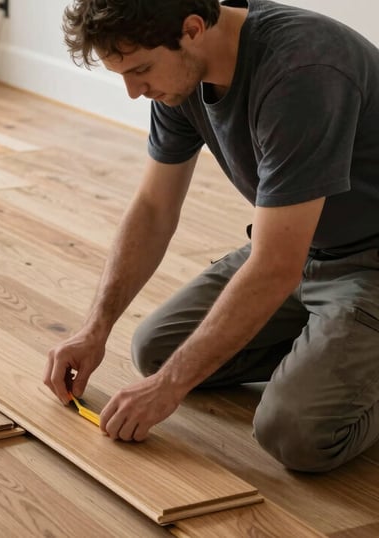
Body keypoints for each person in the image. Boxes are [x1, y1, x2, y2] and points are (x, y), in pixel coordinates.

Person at [43, 0, 379, 472]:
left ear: (194, 28)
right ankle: (338, 353)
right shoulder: (182, 77)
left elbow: (274, 265)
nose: (134, 92)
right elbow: (154, 208)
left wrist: (169, 389)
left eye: (140, 70)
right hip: (302, 247)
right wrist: (95, 328)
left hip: (367, 262)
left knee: (297, 432)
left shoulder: (302, 69)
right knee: (156, 349)